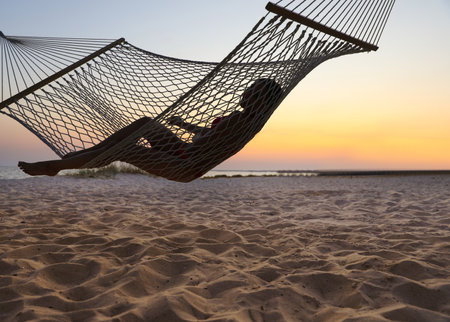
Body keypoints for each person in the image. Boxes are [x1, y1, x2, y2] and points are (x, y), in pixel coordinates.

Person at [18, 79, 283, 179]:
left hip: (185, 164)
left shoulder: (240, 121)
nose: (246, 91)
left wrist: (192, 136)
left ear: (261, 100)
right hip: (182, 152)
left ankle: (57, 166)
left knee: (127, 149)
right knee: (146, 123)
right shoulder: (244, 120)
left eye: (253, 90)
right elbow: (210, 136)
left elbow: (207, 143)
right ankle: (84, 154)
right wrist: (184, 126)